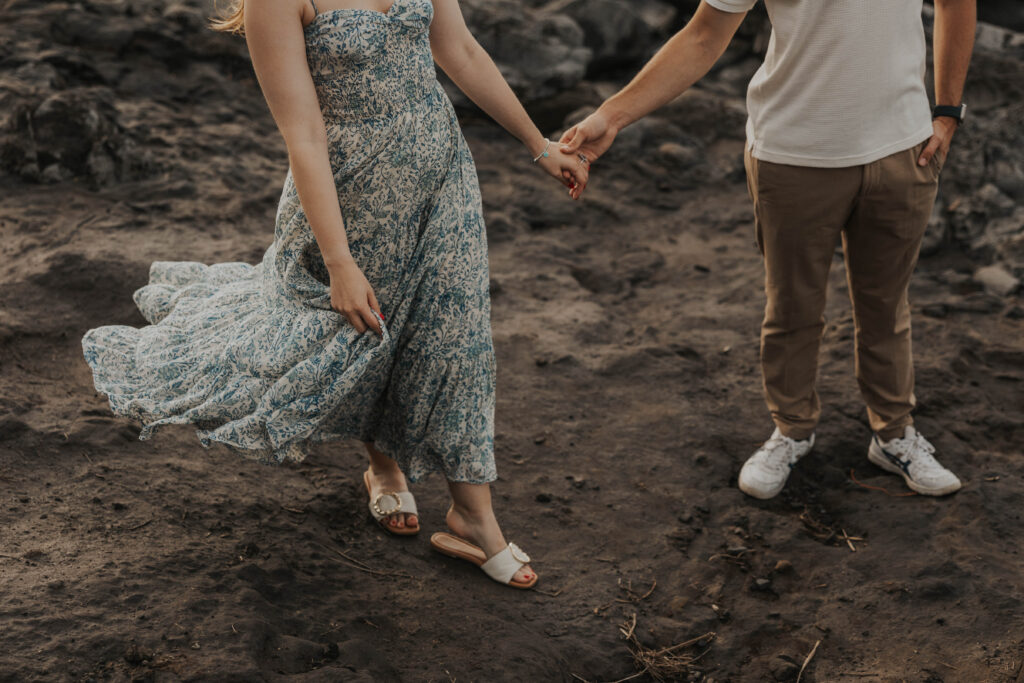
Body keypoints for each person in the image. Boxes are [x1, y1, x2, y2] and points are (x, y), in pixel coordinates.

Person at [81, 0, 592, 589]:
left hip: (442, 177)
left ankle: (472, 517)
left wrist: (539, 144)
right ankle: (382, 468)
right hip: (351, 198)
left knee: (454, 343)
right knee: (367, 338)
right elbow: (304, 135)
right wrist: (339, 262)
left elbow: (462, 50)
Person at [560, 0, 976, 499]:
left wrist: (948, 111)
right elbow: (703, 36)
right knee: (793, 308)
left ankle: (893, 435)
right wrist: (612, 115)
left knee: (886, 304)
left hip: (904, 151)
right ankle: (793, 430)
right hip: (793, 154)